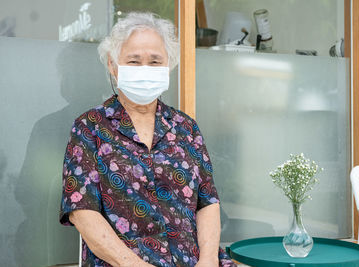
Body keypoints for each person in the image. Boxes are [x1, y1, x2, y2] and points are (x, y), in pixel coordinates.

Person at [59, 11, 236, 267]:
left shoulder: (186, 128)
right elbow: (81, 212)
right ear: (112, 65)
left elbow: (207, 202)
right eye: (133, 61)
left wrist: (208, 260)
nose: (145, 69)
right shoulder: (90, 127)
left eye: (155, 61)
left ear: (169, 65)